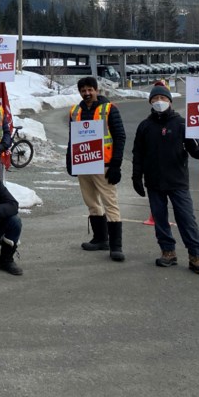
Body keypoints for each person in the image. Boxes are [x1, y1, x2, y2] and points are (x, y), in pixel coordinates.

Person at [132, 84, 199, 274]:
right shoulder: (145, 126)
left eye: (162, 99)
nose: (159, 102)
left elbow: (194, 149)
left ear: (170, 101)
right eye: (155, 100)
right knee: (160, 219)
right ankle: (168, 252)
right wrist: (136, 176)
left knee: (186, 218)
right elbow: (138, 153)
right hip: (154, 181)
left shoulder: (182, 124)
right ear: (150, 103)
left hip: (177, 181)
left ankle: (196, 255)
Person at [65, 76, 127, 262]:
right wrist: (70, 160)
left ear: (96, 90)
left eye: (90, 89)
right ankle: (100, 239)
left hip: (105, 165)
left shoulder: (109, 109)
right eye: (83, 90)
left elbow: (120, 137)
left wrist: (116, 164)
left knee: (110, 203)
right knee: (91, 202)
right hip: (84, 164)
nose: (86, 93)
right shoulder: (75, 111)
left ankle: (116, 246)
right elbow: (72, 138)